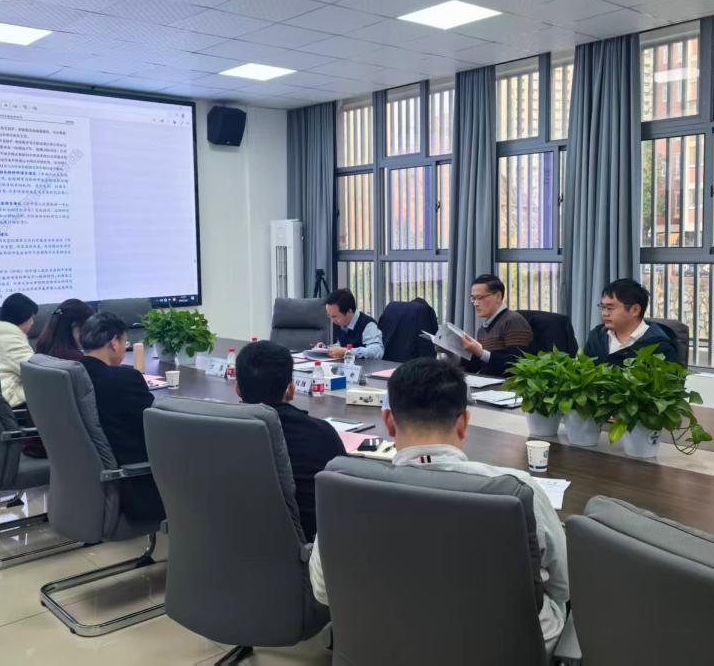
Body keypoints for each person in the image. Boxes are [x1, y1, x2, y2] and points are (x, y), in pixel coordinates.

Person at [308, 358, 569, 649]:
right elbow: (564, 586)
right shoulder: (517, 491)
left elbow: (322, 590)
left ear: (389, 422)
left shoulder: (344, 486)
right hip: (501, 648)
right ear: (464, 422)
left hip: (385, 643)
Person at [235, 340, 346, 542]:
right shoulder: (321, 435)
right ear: (291, 390)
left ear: (237, 389)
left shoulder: (218, 432)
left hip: (230, 542)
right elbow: (346, 499)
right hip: (306, 549)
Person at [79, 312, 162, 521]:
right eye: (125, 342)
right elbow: (156, 428)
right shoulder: (125, 379)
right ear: (114, 343)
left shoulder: (71, 375)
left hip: (87, 484)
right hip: (136, 486)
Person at [585, 278, 677, 366]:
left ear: (635, 310)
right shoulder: (596, 337)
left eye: (610, 308)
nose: (604, 313)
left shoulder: (659, 347)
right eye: (602, 307)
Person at [458, 274, 533, 376]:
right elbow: (476, 366)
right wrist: (454, 350)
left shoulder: (514, 321)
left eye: (480, 297)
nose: (475, 303)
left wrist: (480, 352)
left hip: (505, 384)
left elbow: (516, 364)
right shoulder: (483, 329)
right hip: (486, 381)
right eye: (473, 298)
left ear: (498, 296)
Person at [0, 292, 37, 408]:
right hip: (13, 399)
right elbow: (35, 372)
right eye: (31, 317)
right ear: (22, 317)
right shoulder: (9, 340)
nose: (33, 322)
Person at [318, 288, 384, 360]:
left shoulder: (368, 325)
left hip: (365, 366)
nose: (333, 321)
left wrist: (347, 351)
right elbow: (341, 346)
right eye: (330, 316)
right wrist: (326, 349)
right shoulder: (342, 323)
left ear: (349, 311)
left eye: (335, 317)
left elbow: (377, 351)